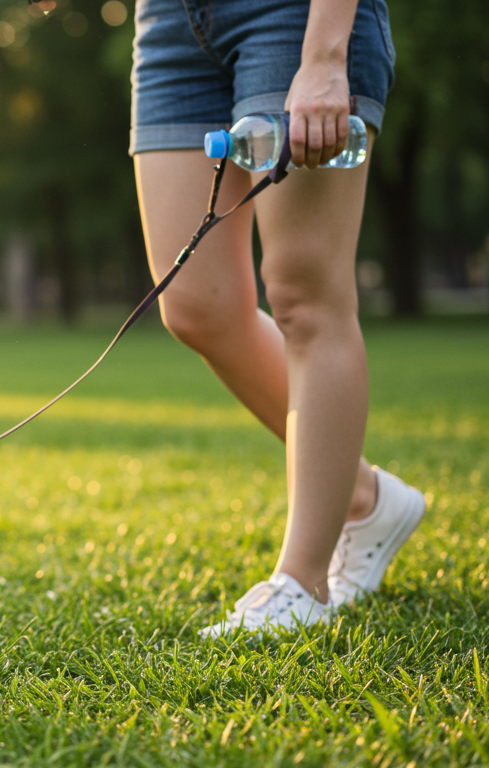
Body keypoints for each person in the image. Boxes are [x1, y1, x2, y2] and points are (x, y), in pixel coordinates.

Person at [128, 0, 425, 636]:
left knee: (303, 296)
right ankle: (365, 496)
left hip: (292, 17)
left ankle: (303, 584)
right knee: (195, 305)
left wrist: (324, 56)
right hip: (169, 24)